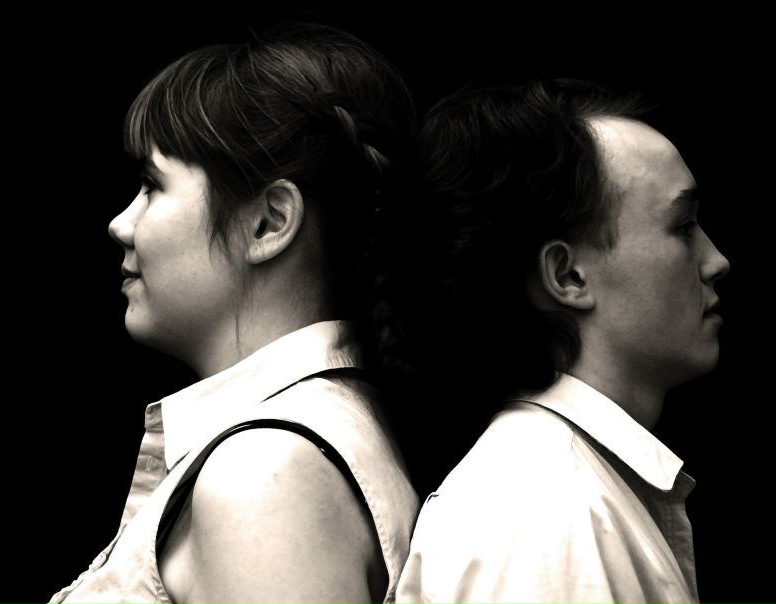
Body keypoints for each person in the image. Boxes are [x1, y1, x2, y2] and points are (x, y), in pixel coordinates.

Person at [49, 22, 419, 604]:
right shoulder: (295, 445)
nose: (120, 223)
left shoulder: (266, 473)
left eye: (152, 185)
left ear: (269, 223)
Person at [394, 78, 730, 603]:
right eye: (682, 226)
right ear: (568, 276)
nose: (716, 261)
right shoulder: (544, 517)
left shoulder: (563, 496)